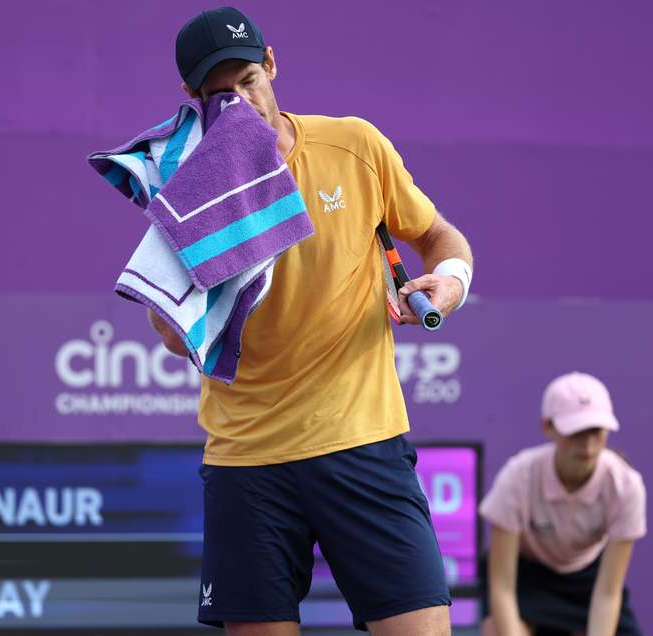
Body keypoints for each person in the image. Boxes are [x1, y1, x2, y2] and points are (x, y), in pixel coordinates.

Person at [148, 7, 474, 635]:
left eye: (248, 80)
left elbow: (436, 235)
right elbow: (171, 332)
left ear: (271, 66)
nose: (240, 101)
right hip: (249, 461)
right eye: (220, 93)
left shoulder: (355, 146)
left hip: (362, 443)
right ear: (193, 98)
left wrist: (451, 281)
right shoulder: (187, 187)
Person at [479, 372, 646, 635]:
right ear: (548, 427)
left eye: (596, 431)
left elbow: (608, 593)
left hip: (589, 579)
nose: (588, 445)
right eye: (576, 431)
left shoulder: (626, 486)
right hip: (528, 576)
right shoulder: (517, 477)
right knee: (495, 630)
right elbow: (502, 587)